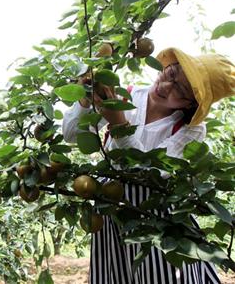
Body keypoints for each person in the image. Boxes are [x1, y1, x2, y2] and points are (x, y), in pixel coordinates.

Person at [62, 48, 235, 284]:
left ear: (191, 105)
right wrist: (86, 98)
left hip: (157, 220)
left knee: (161, 276)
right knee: (115, 275)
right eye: (171, 73)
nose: (166, 87)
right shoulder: (127, 97)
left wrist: (119, 124)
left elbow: (149, 172)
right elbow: (72, 135)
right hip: (112, 212)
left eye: (181, 90)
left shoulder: (191, 130)